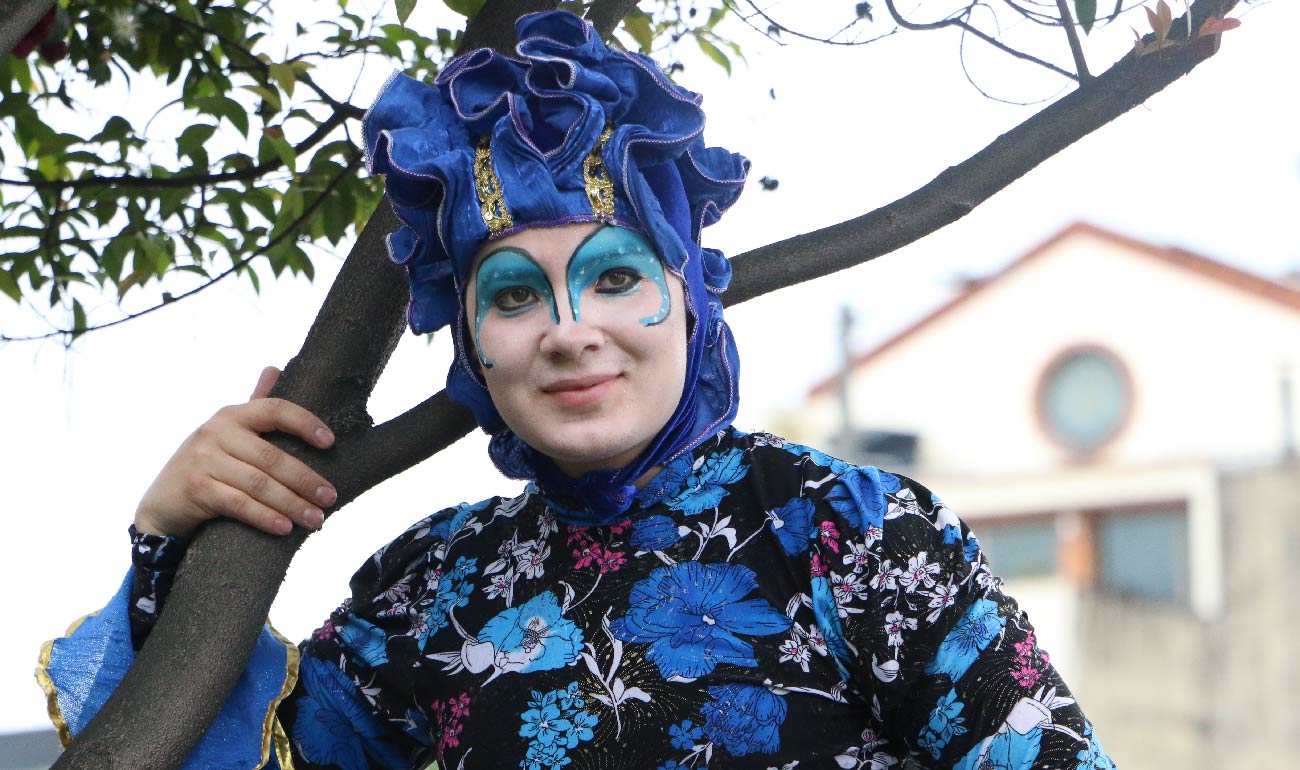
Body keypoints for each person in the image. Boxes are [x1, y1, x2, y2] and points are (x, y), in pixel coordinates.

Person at [39, 11, 1116, 770]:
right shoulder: (433, 586)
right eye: (513, 295)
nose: (567, 331)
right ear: (469, 344)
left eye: (612, 278)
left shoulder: (848, 532)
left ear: (689, 299)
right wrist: (174, 535)